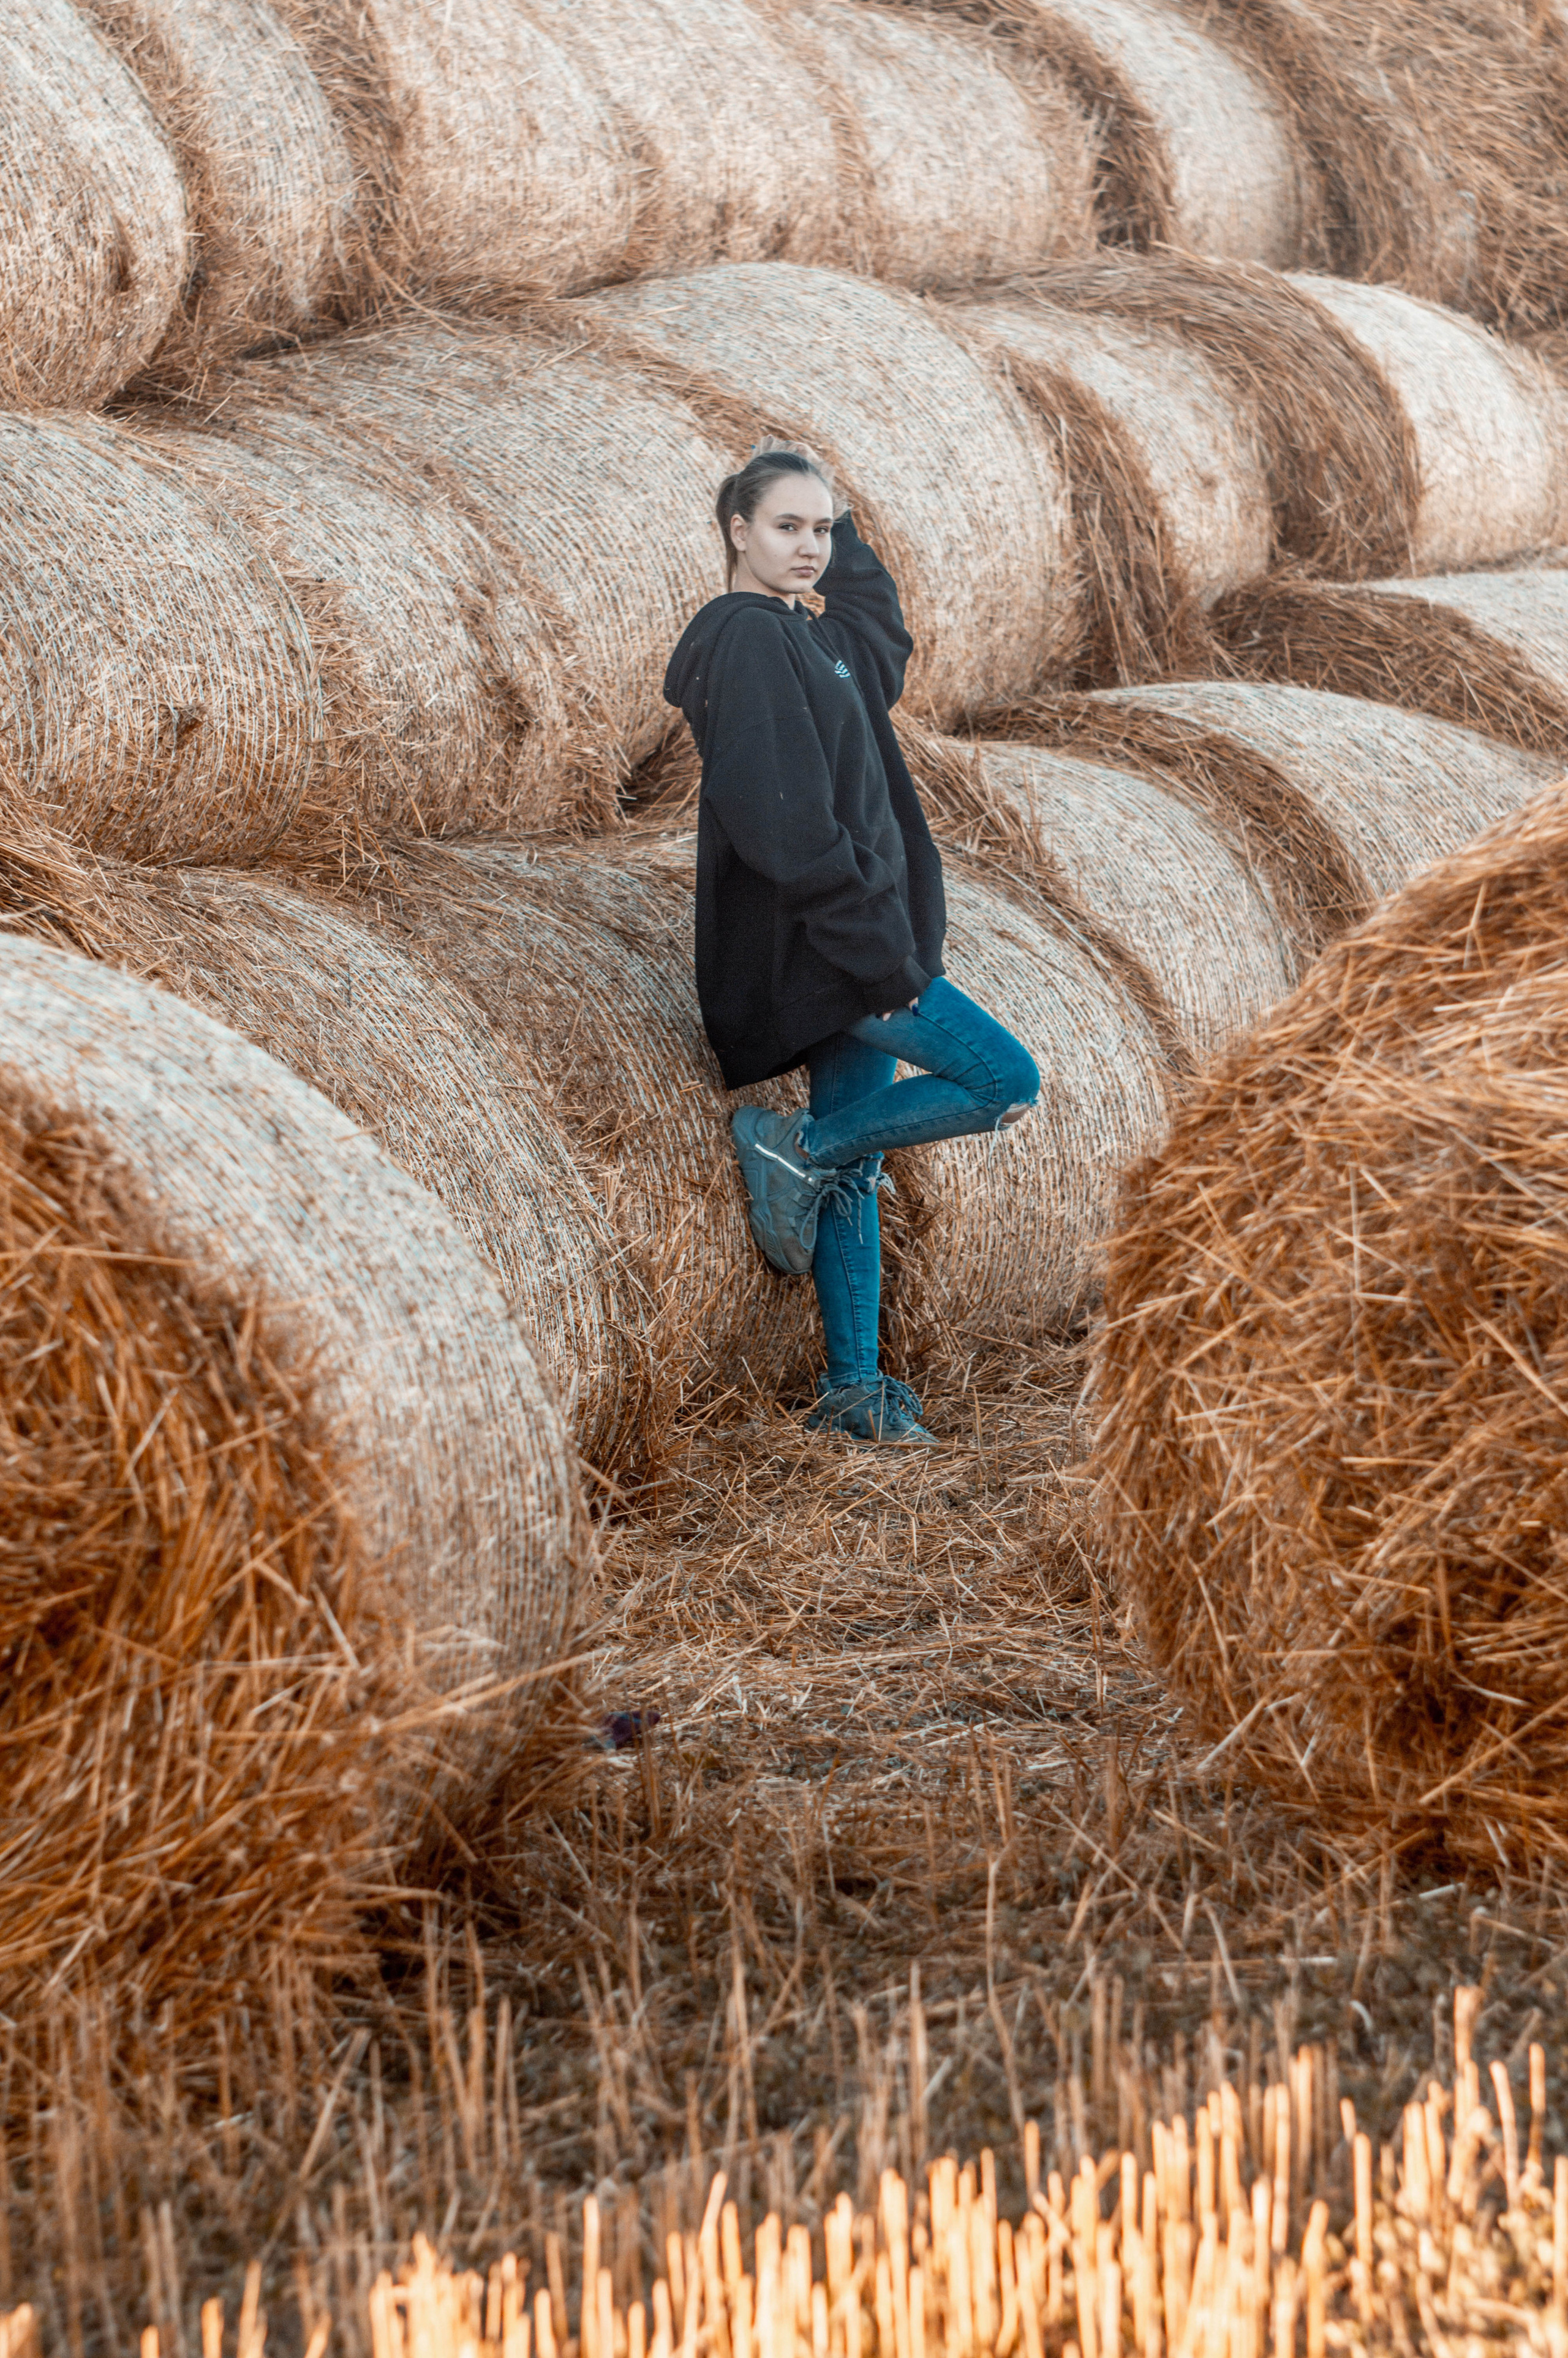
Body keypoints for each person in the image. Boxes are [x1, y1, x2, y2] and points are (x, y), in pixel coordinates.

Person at [662, 443, 1040, 1447]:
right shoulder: (744, 641)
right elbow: (783, 822)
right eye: (787, 526)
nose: (810, 547)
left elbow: (881, 635)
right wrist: (877, 953)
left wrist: (843, 510)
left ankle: (851, 1387)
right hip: (834, 949)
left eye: (821, 528)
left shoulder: (819, 639)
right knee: (1002, 1077)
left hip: (860, 938)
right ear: (736, 531)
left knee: (858, 1177)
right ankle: (796, 1145)